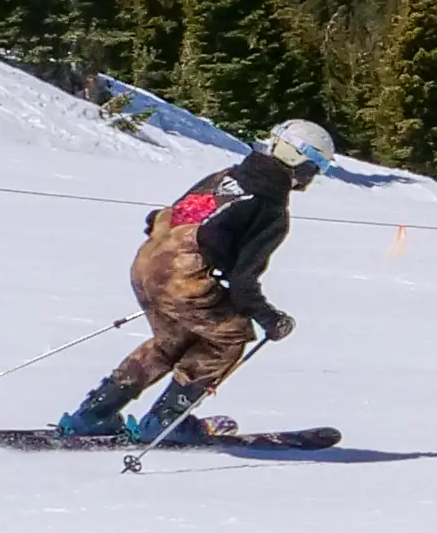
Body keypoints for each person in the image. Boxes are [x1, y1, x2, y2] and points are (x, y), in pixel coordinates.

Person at [59, 118, 334, 443]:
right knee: (229, 338)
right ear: (297, 161)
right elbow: (243, 282)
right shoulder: (270, 206)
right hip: (184, 278)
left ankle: (91, 415)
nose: (312, 178)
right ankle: (164, 424)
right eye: (315, 168)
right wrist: (271, 320)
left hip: (147, 264)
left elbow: (163, 218)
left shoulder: (224, 177)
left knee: (171, 342)